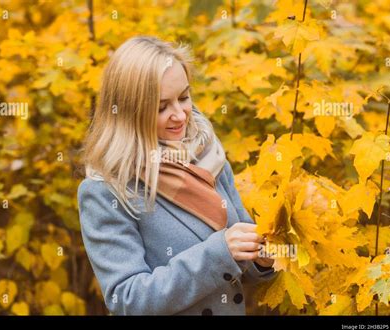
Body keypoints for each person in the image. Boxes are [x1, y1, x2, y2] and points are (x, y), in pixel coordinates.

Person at [78, 36, 275, 315]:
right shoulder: (105, 190)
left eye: (183, 97)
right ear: (129, 113)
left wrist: (262, 260)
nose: (181, 115)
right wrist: (218, 254)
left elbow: (241, 249)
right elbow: (127, 299)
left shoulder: (209, 157)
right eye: (161, 107)